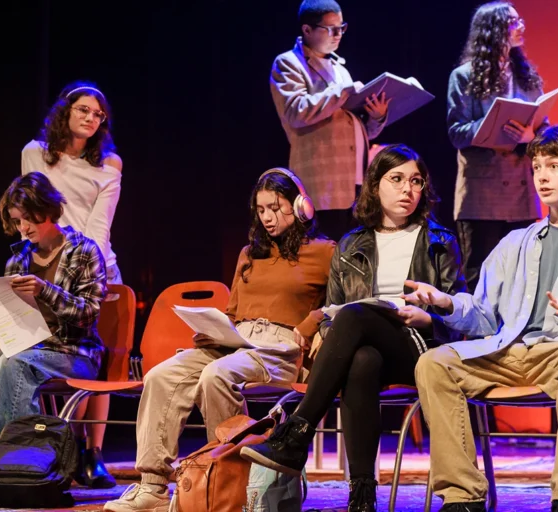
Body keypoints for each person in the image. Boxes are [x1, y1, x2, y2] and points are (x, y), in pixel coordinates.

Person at [407, 125, 558, 512]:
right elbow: (481, 316)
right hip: (507, 353)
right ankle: (463, 497)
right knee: (433, 363)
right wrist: (444, 302)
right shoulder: (516, 242)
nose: (541, 176)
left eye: (554, 166)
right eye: (537, 166)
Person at [241, 145, 466, 512]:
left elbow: (462, 313)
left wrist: (431, 317)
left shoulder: (440, 243)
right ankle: (362, 496)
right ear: (375, 186)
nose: (408, 189)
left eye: (416, 181)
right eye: (397, 179)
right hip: (370, 347)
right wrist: (327, 330)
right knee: (361, 361)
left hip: (423, 347)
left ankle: (297, 431)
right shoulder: (351, 244)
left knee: (355, 316)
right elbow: (332, 312)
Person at [103, 169, 336, 512]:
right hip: (237, 340)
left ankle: (229, 482)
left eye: (276, 207)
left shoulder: (324, 251)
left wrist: (314, 322)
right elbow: (235, 313)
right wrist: (214, 330)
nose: (268, 217)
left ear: (302, 206)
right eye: (261, 210)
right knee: (161, 376)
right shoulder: (249, 253)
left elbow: (343, 304)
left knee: (217, 376)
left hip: (281, 346)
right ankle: (152, 486)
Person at [0, 172, 107, 502]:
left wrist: (46, 290)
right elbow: (13, 327)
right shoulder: (18, 260)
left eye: (29, 219)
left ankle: (5, 474)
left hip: (74, 353)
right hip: (29, 349)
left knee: (14, 365)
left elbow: (89, 314)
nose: (23, 228)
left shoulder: (84, 251)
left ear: (49, 210)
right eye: (17, 221)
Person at [22, 81, 122, 488]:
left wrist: (86, 266)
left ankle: (92, 453)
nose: (91, 118)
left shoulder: (109, 164)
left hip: (97, 266)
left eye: (98, 114)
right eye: (83, 109)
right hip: (48, 265)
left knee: (103, 362)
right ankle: (64, 445)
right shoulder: (35, 152)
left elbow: (100, 224)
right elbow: (34, 206)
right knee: (56, 353)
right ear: (65, 111)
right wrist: (57, 260)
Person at [447, 1, 547, 291]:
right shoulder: (464, 76)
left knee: (524, 277)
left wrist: (531, 137)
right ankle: (483, 336)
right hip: (482, 198)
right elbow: (456, 132)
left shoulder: (526, 77)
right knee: (482, 277)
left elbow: (545, 129)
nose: (521, 26)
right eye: (514, 22)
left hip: (522, 195)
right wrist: (492, 125)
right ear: (494, 30)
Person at [271, 0, 391, 242]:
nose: (338, 35)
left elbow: (352, 127)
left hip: (354, 180)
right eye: (331, 28)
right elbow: (296, 111)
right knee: (327, 252)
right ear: (307, 30)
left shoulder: (339, 68)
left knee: (353, 254)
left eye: (341, 27)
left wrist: (376, 118)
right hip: (322, 182)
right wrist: (343, 91)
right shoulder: (288, 63)